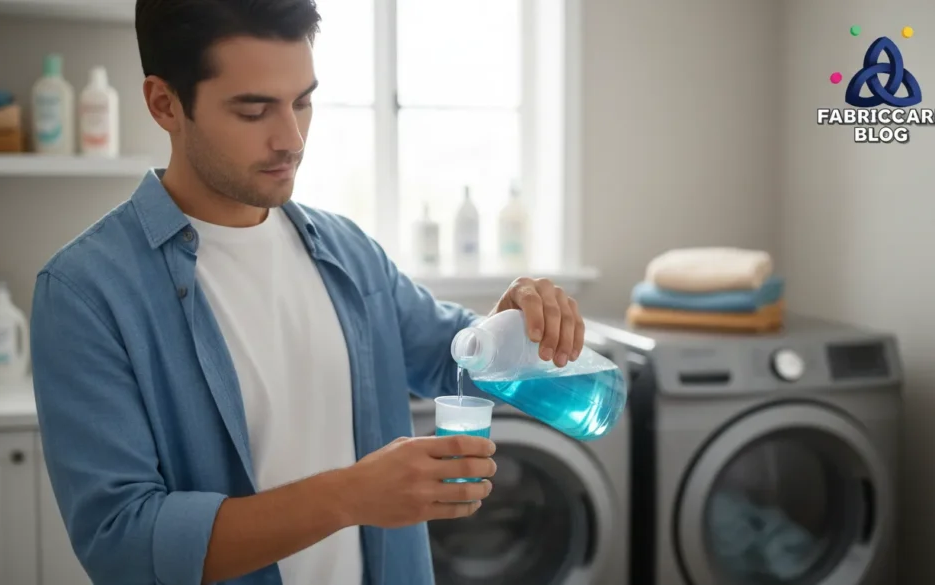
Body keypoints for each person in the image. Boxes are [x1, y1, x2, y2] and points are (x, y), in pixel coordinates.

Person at [29, 1, 587, 584]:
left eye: (303, 101)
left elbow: (454, 358)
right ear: (164, 104)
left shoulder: (346, 252)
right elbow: (123, 545)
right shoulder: (85, 294)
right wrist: (348, 496)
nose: (292, 139)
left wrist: (512, 325)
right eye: (254, 110)